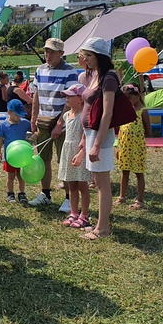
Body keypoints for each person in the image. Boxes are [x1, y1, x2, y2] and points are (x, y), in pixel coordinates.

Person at [28, 38, 79, 211]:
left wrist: (60, 123)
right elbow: (36, 95)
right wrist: (33, 118)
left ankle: (68, 197)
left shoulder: (70, 72)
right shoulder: (40, 70)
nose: (48, 55)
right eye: (46, 51)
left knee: (64, 160)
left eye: (52, 52)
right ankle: (45, 193)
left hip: (62, 122)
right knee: (43, 159)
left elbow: (69, 100)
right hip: (43, 119)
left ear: (61, 54)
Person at [78, 37, 118, 241]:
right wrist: (86, 141)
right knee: (97, 181)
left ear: (100, 56)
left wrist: (97, 144)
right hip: (91, 133)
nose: (85, 58)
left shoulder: (109, 78)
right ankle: (100, 223)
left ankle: (103, 228)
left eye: (89, 55)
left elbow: (107, 114)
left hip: (100, 135)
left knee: (102, 183)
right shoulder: (94, 75)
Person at [57, 83, 93, 228]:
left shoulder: (84, 116)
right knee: (71, 185)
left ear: (80, 99)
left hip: (79, 153)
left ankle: (84, 215)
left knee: (82, 185)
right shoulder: (66, 115)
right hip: (68, 151)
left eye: (70, 96)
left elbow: (86, 136)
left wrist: (81, 153)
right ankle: (73, 212)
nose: (66, 98)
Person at [115, 83, 152, 211]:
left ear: (137, 96)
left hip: (137, 148)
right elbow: (120, 130)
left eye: (129, 98)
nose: (127, 102)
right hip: (125, 146)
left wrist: (138, 138)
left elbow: (148, 130)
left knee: (138, 173)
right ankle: (122, 196)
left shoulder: (142, 111)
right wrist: (119, 147)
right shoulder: (125, 110)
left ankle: (140, 200)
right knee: (124, 172)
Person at [0, 99, 31, 204]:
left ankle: (22, 193)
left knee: (21, 176)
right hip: (10, 157)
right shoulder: (3, 125)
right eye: (16, 115)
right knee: (10, 176)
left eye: (20, 115)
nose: (18, 117)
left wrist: (35, 134)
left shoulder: (25, 123)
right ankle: (10, 193)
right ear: (9, 112)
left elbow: (34, 129)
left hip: (22, 156)